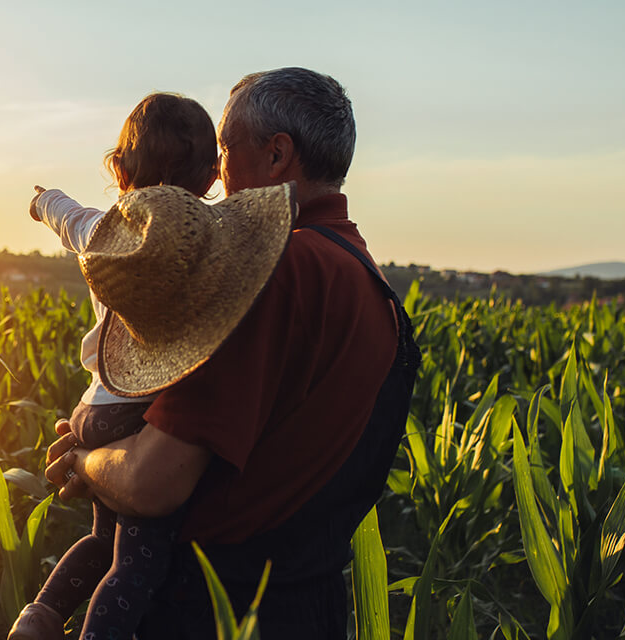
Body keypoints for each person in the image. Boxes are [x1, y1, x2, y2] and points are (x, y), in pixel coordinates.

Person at [43, 67, 421, 639]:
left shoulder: (272, 277)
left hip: (217, 607)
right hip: (308, 607)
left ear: (276, 157)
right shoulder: (371, 285)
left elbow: (153, 482)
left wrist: (85, 464)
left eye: (225, 147)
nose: (216, 172)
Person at [8, 92, 225, 640]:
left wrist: (43, 201)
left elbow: (65, 215)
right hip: (137, 414)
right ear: (210, 177)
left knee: (103, 541)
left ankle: (40, 615)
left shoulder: (101, 230)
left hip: (94, 407)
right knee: (138, 561)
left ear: (121, 171)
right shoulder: (204, 247)